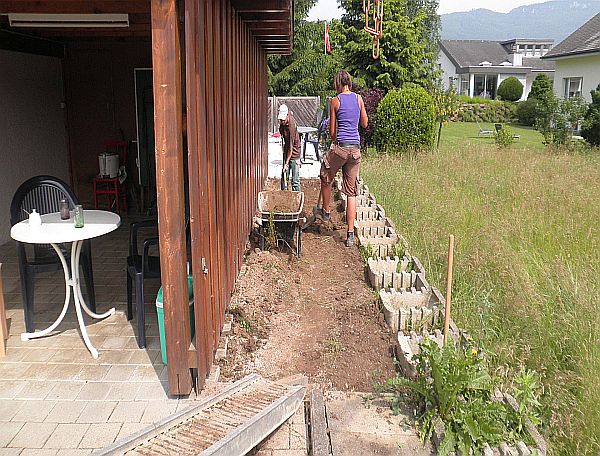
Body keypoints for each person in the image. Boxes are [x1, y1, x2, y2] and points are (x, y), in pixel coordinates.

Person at [316, 70, 368, 246]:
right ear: (349, 83)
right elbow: (365, 123)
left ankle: (326, 211)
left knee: (325, 175)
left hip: (341, 149)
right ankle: (350, 234)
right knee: (351, 192)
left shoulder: (335, 101)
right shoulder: (358, 99)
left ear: (338, 83)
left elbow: (332, 133)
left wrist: (337, 136)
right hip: (355, 152)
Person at [278, 104, 301, 191]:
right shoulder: (283, 122)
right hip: (287, 149)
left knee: (295, 179)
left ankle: (296, 197)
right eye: (281, 120)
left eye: (283, 120)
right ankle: (284, 196)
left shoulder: (291, 127)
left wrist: (286, 164)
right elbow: (281, 131)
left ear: (287, 116)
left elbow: (291, 149)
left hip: (294, 152)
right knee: (284, 175)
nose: (282, 122)